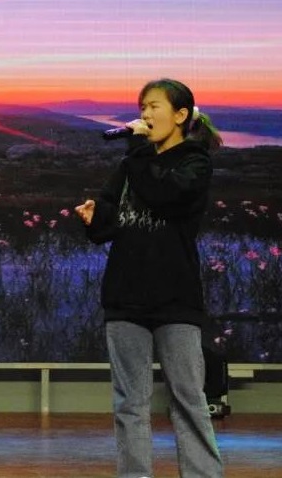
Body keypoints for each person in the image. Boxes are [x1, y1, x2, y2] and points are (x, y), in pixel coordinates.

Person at [75, 78, 225, 478]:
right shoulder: (130, 165)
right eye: (142, 107)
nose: (144, 114)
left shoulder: (195, 163)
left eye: (154, 106)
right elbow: (109, 224)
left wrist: (138, 149)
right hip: (125, 295)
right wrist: (94, 218)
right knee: (130, 402)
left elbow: (163, 195)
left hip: (175, 297)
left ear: (180, 115)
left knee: (188, 397)